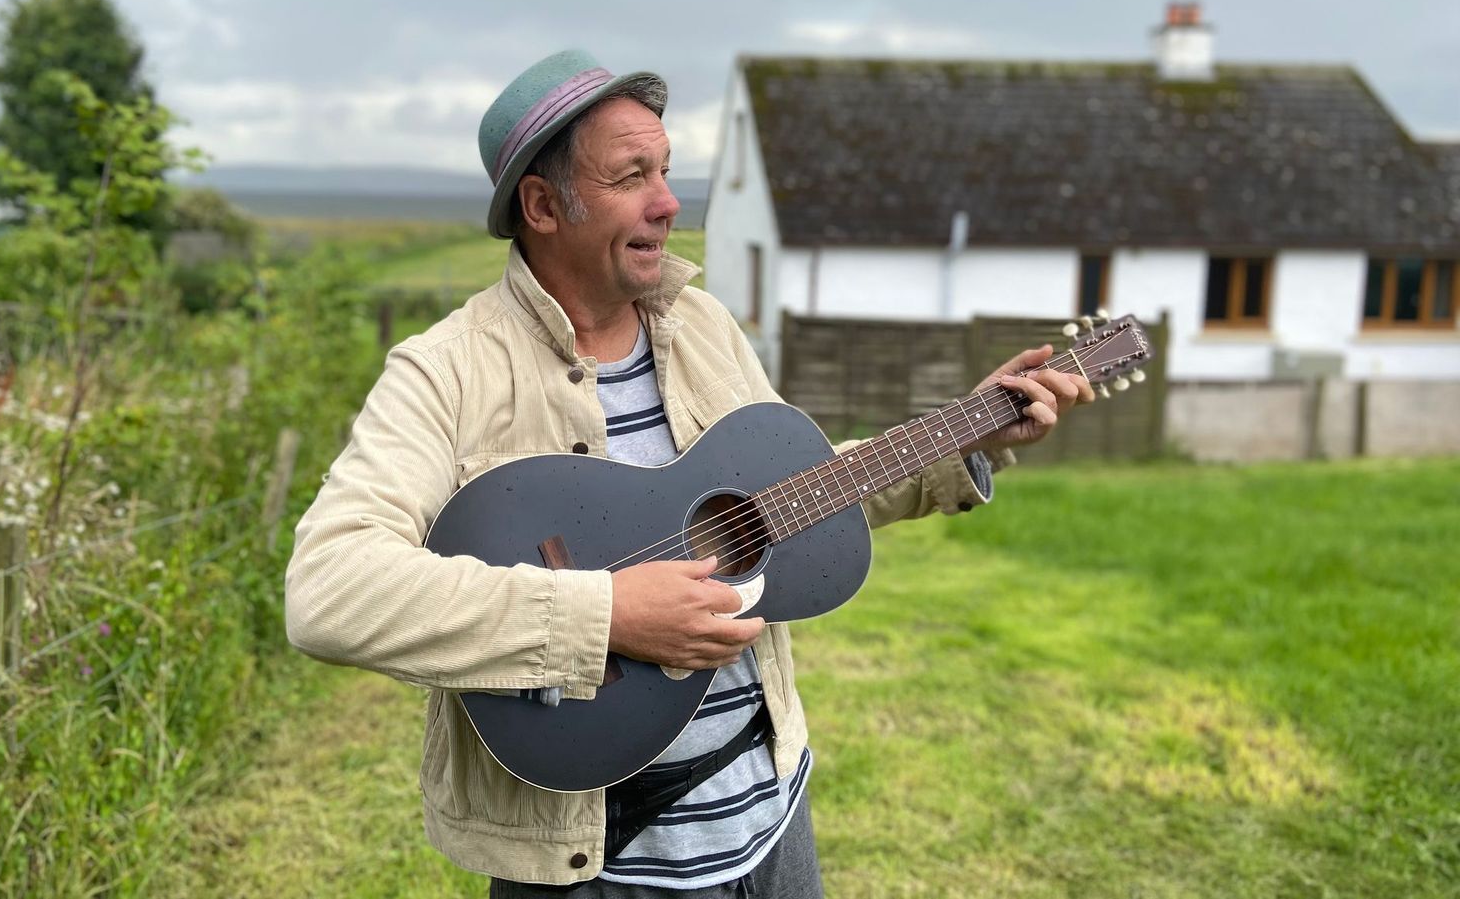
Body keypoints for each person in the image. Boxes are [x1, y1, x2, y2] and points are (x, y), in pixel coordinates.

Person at [284, 50, 1093, 896]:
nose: (669, 202)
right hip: (593, 868)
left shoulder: (703, 326)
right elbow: (329, 590)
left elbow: (789, 501)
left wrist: (967, 435)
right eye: (631, 175)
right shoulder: (445, 370)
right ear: (542, 205)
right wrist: (605, 614)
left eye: (666, 171)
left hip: (769, 817)